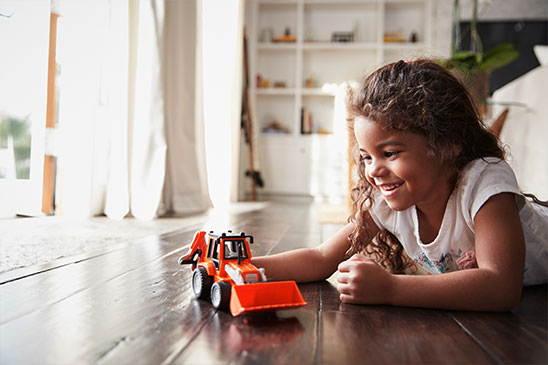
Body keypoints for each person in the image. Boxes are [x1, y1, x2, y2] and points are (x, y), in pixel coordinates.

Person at [252, 59, 548, 312]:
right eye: (366, 157)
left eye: (390, 153)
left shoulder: (483, 181)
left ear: (448, 143)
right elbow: (320, 258)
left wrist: (390, 289)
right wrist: (239, 265)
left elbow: (500, 286)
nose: (373, 171)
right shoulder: (390, 200)